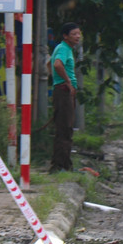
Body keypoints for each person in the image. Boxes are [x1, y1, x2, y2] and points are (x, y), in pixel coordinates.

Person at [51, 22, 82, 171]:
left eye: (79, 33)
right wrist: (67, 82)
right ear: (65, 36)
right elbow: (57, 65)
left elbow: (50, 64)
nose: (78, 37)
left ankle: (65, 164)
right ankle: (59, 166)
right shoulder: (63, 48)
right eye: (74, 34)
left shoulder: (66, 49)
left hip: (64, 91)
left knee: (66, 128)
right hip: (63, 91)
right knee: (64, 128)